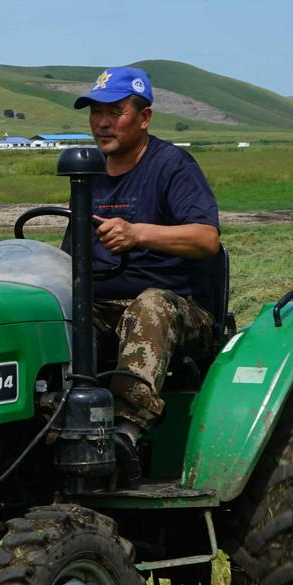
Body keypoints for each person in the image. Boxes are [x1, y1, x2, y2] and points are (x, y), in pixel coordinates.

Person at [71, 66, 223, 472]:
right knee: (47, 312)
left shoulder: (172, 166)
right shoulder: (88, 175)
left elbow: (207, 240)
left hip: (178, 308)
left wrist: (138, 233)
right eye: (95, 112)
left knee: (149, 305)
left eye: (115, 111)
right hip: (102, 305)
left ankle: (125, 434)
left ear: (144, 117)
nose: (102, 122)